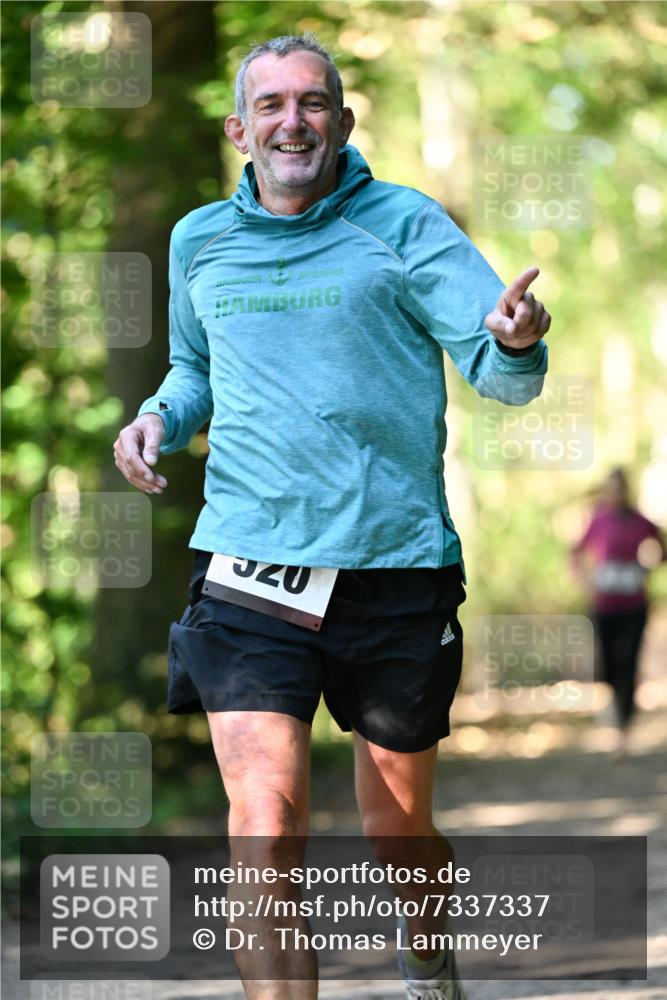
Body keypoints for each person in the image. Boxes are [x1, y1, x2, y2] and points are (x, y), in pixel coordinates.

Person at [113, 34, 550, 1000]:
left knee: (397, 827)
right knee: (262, 826)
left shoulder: (403, 224)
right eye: (270, 105)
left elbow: (497, 366)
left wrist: (516, 342)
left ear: (343, 124)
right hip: (247, 565)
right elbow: (194, 371)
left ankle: (426, 953)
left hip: (392, 563)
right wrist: (154, 418)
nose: (292, 121)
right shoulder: (199, 240)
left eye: (312, 103)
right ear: (239, 129)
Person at [571, 468, 665, 756]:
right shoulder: (598, 520)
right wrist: (585, 582)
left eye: (620, 488)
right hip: (604, 604)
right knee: (608, 663)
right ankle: (614, 705)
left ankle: (623, 726)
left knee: (629, 661)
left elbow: (661, 548)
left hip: (634, 604)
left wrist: (646, 569)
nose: (616, 494)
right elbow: (575, 552)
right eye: (611, 488)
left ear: (627, 490)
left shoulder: (641, 522)